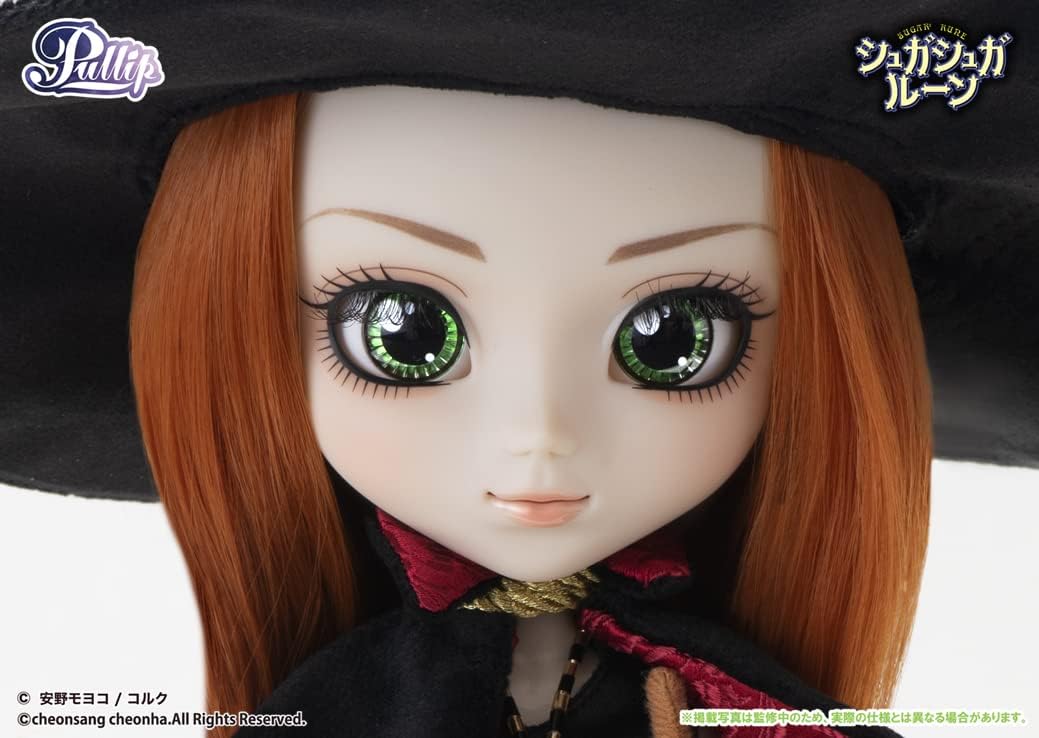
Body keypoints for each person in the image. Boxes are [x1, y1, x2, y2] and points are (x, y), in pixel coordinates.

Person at [128, 85, 929, 737]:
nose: (539, 436)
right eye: (406, 336)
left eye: (671, 338)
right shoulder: (345, 699)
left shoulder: (744, 703)